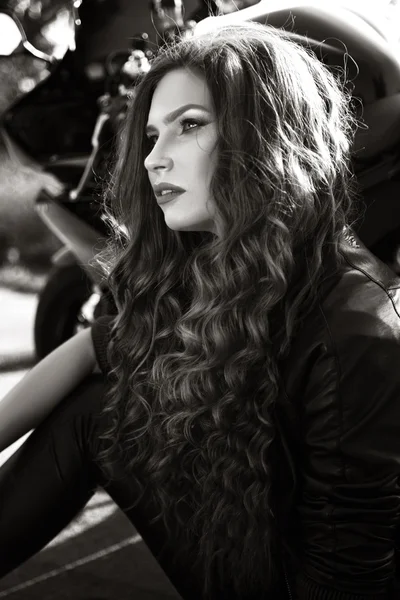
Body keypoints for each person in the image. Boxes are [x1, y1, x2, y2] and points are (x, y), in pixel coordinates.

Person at [1, 18, 400, 600]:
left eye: (188, 126)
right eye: (151, 135)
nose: (152, 160)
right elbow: (98, 345)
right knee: (98, 411)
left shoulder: (359, 332)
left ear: (265, 135)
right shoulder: (230, 266)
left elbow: (348, 578)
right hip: (246, 544)